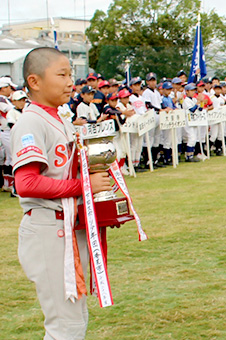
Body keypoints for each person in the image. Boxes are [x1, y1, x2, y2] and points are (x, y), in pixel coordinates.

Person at [11, 47, 114, 340]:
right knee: (64, 325)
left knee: (75, 318)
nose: (72, 82)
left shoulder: (58, 118)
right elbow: (26, 183)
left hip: (67, 224)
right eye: (62, 74)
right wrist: (84, 186)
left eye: (71, 74)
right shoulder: (31, 121)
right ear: (35, 81)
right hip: (48, 226)